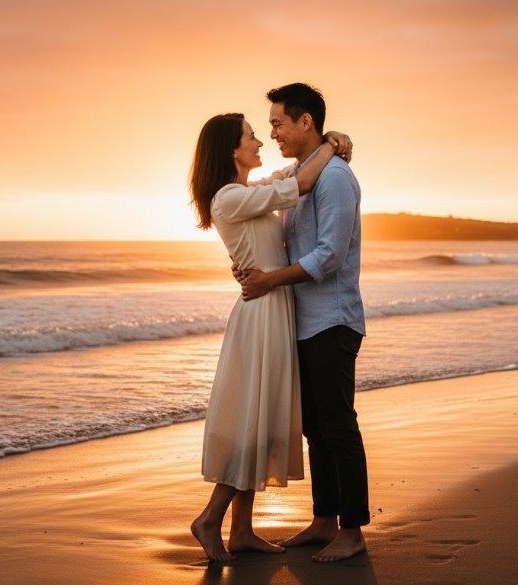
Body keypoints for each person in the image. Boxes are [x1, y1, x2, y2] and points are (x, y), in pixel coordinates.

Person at [188, 112, 352, 562]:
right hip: (260, 314)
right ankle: (210, 519)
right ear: (231, 150)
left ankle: (241, 531)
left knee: (259, 418)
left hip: (275, 308)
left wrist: (329, 142)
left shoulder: (250, 193)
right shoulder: (229, 197)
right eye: (250, 137)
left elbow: (291, 175)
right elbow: (298, 185)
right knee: (251, 421)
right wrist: (333, 146)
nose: (260, 141)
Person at [237, 83, 368, 563]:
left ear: (305, 122)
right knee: (314, 426)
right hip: (304, 322)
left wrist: (270, 279)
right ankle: (324, 520)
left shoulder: (335, 179)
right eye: (268, 125)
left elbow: (329, 256)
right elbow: (267, 207)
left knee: (338, 426)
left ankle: (352, 532)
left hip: (333, 320)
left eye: (277, 123)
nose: (272, 133)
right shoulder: (300, 172)